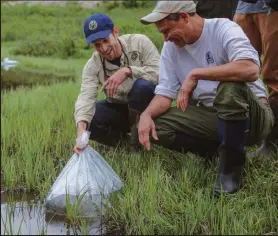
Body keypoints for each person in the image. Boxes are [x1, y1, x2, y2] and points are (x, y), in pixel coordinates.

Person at [138, 1, 274, 196]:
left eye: (167, 31)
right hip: (217, 115)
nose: (166, 38)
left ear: (184, 17)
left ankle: (230, 173)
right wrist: (146, 114)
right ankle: (216, 151)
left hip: (253, 118)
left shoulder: (223, 28)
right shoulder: (170, 49)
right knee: (156, 127)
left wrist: (197, 74)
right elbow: (165, 93)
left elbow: (250, 69)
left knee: (229, 88)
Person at [73, 13, 160, 153]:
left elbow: (161, 74)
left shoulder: (140, 42)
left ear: (115, 32)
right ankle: (126, 146)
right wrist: (81, 130)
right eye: (97, 45)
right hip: (121, 110)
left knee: (141, 87)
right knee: (88, 117)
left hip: (148, 110)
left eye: (106, 41)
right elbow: (85, 98)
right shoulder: (93, 65)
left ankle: (139, 139)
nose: (103, 48)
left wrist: (128, 71)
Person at [233, 0, 278, 158]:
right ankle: (256, 133)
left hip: (273, 9)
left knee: (274, 77)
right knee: (237, 70)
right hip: (244, 7)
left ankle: (271, 143)